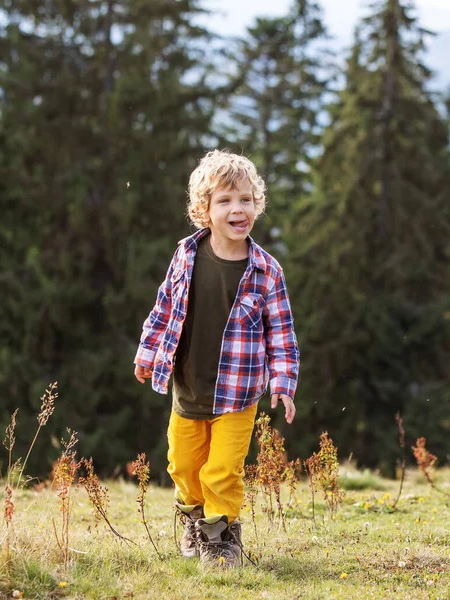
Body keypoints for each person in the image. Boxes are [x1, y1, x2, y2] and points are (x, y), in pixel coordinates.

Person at [133, 149, 299, 568]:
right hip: (188, 389)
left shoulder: (267, 271)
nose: (237, 209)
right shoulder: (187, 256)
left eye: (245, 199)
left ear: (256, 205)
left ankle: (221, 539)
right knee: (184, 466)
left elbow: (281, 334)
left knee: (223, 470)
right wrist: (148, 351)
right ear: (203, 210)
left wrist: (282, 382)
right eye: (224, 201)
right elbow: (165, 307)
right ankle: (193, 516)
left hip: (239, 394)